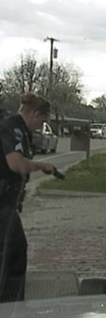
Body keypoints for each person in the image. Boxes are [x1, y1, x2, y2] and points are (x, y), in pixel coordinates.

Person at [0, 93, 57, 301]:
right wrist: (41, 166)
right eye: (43, 120)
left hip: (8, 201)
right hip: (2, 201)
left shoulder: (18, 129)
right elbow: (16, 164)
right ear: (34, 114)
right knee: (13, 253)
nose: (42, 124)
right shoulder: (13, 128)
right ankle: (9, 308)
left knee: (12, 250)